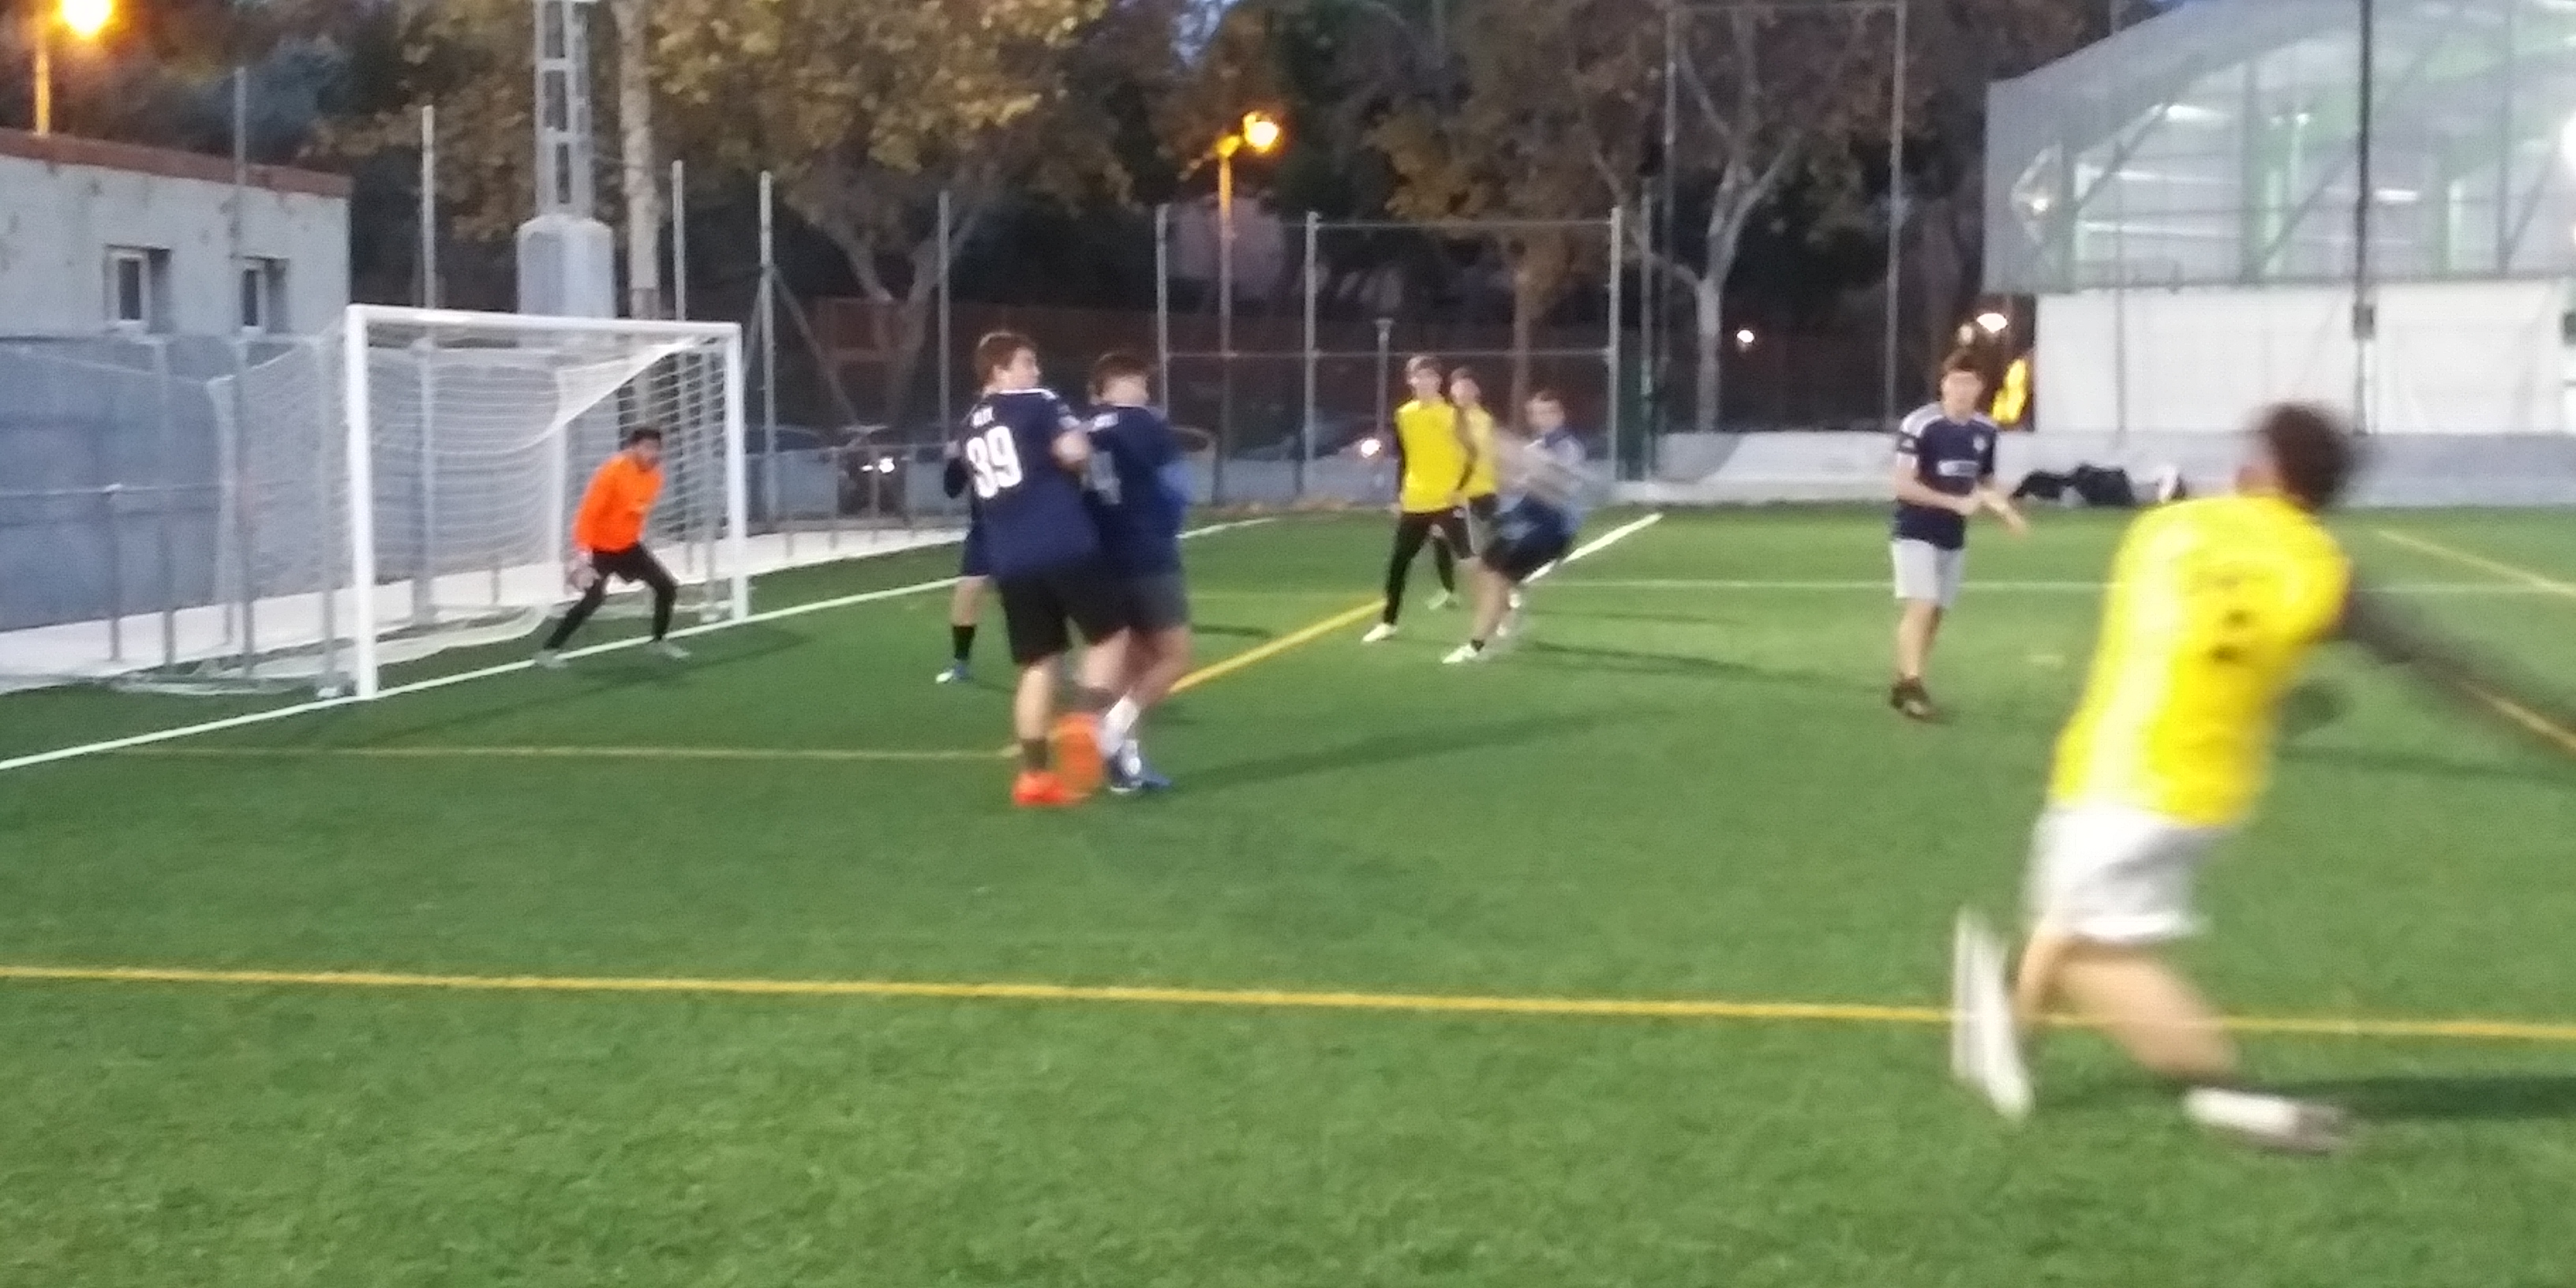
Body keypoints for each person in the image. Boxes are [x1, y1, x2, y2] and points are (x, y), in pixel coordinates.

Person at [1952, 404, 2381, 1152]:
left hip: (2121, 768)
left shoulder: (2172, 529)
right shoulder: (2321, 571)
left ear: (2268, 469)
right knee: (2076, 930)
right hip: (2210, 797)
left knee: (2078, 942)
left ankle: (2216, 1088)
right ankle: (2017, 1041)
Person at [957, 331, 1133, 807]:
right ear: (999, 371)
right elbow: (1075, 451)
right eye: (1027, 363)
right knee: (1110, 635)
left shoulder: (968, 425)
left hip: (1010, 557)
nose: (1036, 372)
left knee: (1038, 664)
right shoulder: (1038, 401)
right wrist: (1076, 461)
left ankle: (1034, 777)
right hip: (1063, 541)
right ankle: (1085, 718)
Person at [1889, 353, 2027, 720]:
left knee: (1935, 613)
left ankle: (1908, 679)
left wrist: (2006, 512)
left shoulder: (1985, 430)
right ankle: (1912, 687)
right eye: (1956, 381)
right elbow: (1902, 485)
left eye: (1970, 382)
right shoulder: (1921, 424)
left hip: (1953, 535)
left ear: (1980, 387)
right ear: (1943, 384)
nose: (1962, 390)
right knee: (1921, 605)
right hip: (1915, 529)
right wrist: (1954, 503)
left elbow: (1984, 483)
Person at [1081, 352, 1193, 794]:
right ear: (1118, 383)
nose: (1146, 390)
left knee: (1135, 662)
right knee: (1175, 657)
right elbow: (1177, 489)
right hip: (1148, 555)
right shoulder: (1147, 424)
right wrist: (1164, 530)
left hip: (1100, 558)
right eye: (1140, 381)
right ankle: (1112, 728)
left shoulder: (1083, 429)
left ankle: (1126, 766)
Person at [1444, 390, 1591, 665]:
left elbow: (1552, 487)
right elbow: (1521, 486)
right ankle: (1509, 609)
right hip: (1528, 525)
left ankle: (1477, 645)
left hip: (1553, 530)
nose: (1542, 418)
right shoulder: (1535, 448)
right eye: (1536, 413)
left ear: (1560, 415)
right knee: (1483, 566)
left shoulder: (1568, 448)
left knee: (1498, 577)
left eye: (1548, 412)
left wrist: (1522, 466)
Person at [535, 426, 687, 668]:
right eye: (647, 447)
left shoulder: (656, 476)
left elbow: (636, 511)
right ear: (632, 448)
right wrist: (582, 554)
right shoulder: (611, 472)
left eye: (657, 448)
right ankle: (548, 651)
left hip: (628, 547)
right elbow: (587, 514)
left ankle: (658, 642)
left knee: (667, 587)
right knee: (593, 599)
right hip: (599, 549)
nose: (654, 453)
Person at [1364, 355, 1479, 643]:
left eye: (1430, 377)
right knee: (1399, 562)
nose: (1424, 382)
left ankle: (1497, 616)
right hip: (1416, 500)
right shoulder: (1404, 414)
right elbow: (1405, 457)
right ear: (1410, 380)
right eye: (1419, 376)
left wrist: (1460, 488)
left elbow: (1472, 454)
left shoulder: (1452, 414)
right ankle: (1388, 623)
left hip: (1447, 500)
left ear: (1439, 382)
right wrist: (1399, 493)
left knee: (1469, 561)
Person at [936, 447, 991, 684]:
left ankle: (1057, 661)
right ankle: (961, 665)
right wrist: (954, 459)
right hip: (984, 528)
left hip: (1021, 524)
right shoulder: (970, 439)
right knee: (967, 592)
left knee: (1037, 594)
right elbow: (952, 489)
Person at [1450, 365, 1503, 560]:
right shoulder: (1446, 417)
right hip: (1454, 493)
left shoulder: (1484, 420)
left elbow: (1476, 452)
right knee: (1459, 548)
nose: (1462, 392)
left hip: (1481, 489)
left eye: (1467, 387)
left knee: (1492, 541)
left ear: (1477, 391)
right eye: (1458, 387)